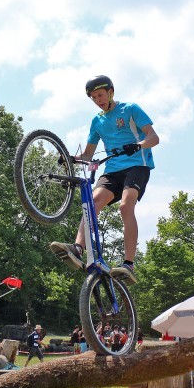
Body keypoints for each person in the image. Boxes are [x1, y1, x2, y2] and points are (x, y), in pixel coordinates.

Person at [51, 75, 159, 285]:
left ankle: (128, 263)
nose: (98, 100)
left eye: (100, 95)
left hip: (137, 165)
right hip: (112, 171)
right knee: (92, 203)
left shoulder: (130, 109)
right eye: (93, 98)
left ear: (111, 92)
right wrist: (71, 158)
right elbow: (88, 155)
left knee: (126, 206)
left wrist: (138, 145)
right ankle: (78, 248)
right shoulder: (97, 121)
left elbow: (154, 137)